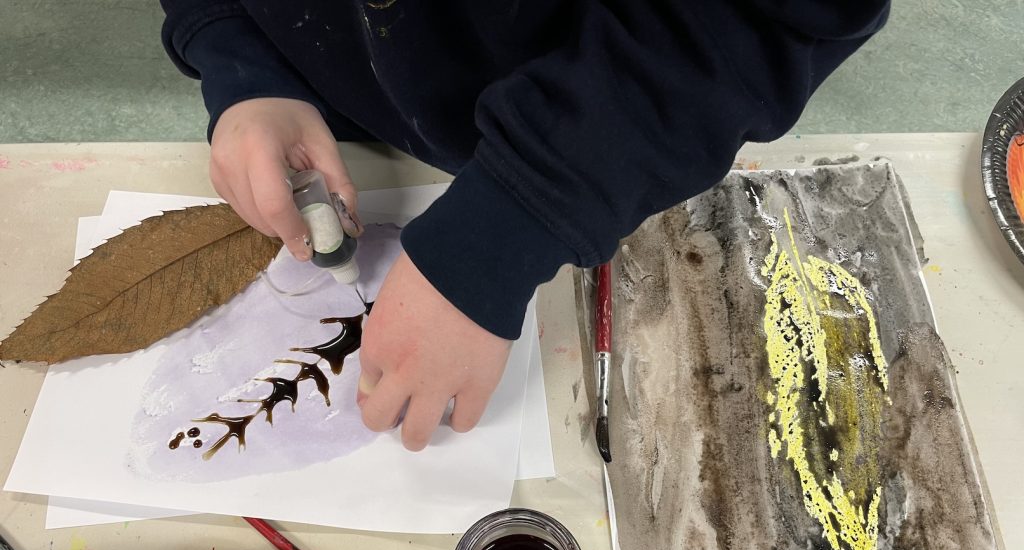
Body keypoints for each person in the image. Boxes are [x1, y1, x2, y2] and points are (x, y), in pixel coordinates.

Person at [159, 0, 890, 451]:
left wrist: (511, 221)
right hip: (335, 95)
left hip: (594, 112)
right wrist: (240, 59)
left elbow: (761, 18)